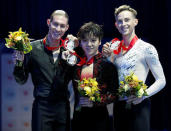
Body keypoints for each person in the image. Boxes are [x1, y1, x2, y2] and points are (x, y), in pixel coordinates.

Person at [102, 5, 166, 131]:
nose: (123, 24)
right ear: (116, 24)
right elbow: (110, 77)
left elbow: (161, 80)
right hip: (119, 106)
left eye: (127, 20)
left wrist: (143, 95)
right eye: (120, 21)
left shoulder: (147, 48)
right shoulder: (114, 49)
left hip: (139, 104)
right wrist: (106, 58)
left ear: (135, 22)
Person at [13, 10, 77, 131]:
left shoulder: (69, 52)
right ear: (49, 22)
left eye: (62, 26)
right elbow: (21, 80)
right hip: (42, 107)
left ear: (67, 28)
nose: (58, 29)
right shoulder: (32, 49)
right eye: (55, 24)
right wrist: (19, 63)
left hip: (62, 107)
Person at [69, 22, 118, 131]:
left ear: (100, 41)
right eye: (85, 40)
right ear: (80, 43)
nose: (89, 44)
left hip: (100, 118)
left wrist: (96, 101)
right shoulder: (75, 65)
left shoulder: (107, 65)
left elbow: (115, 93)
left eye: (93, 40)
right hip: (78, 118)